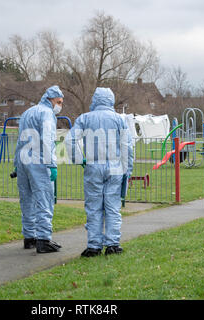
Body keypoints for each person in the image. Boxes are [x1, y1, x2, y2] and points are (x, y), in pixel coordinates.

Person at [65, 87, 134, 257]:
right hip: (115, 167)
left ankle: (94, 246)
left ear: (95, 99)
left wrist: (79, 159)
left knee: (94, 207)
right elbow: (127, 147)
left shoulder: (85, 119)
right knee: (112, 206)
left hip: (93, 166)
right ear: (111, 100)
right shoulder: (120, 120)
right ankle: (112, 244)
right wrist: (127, 169)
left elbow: (69, 140)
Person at [14, 85, 64, 253]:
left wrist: (16, 164)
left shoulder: (28, 112)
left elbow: (20, 140)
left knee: (26, 200)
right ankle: (43, 239)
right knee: (44, 199)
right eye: (59, 101)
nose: (60, 105)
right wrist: (52, 164)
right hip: (39, 161)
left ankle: (29, 237)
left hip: (23, 161)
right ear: (51, 99)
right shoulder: (47, 114)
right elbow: (48, 139)